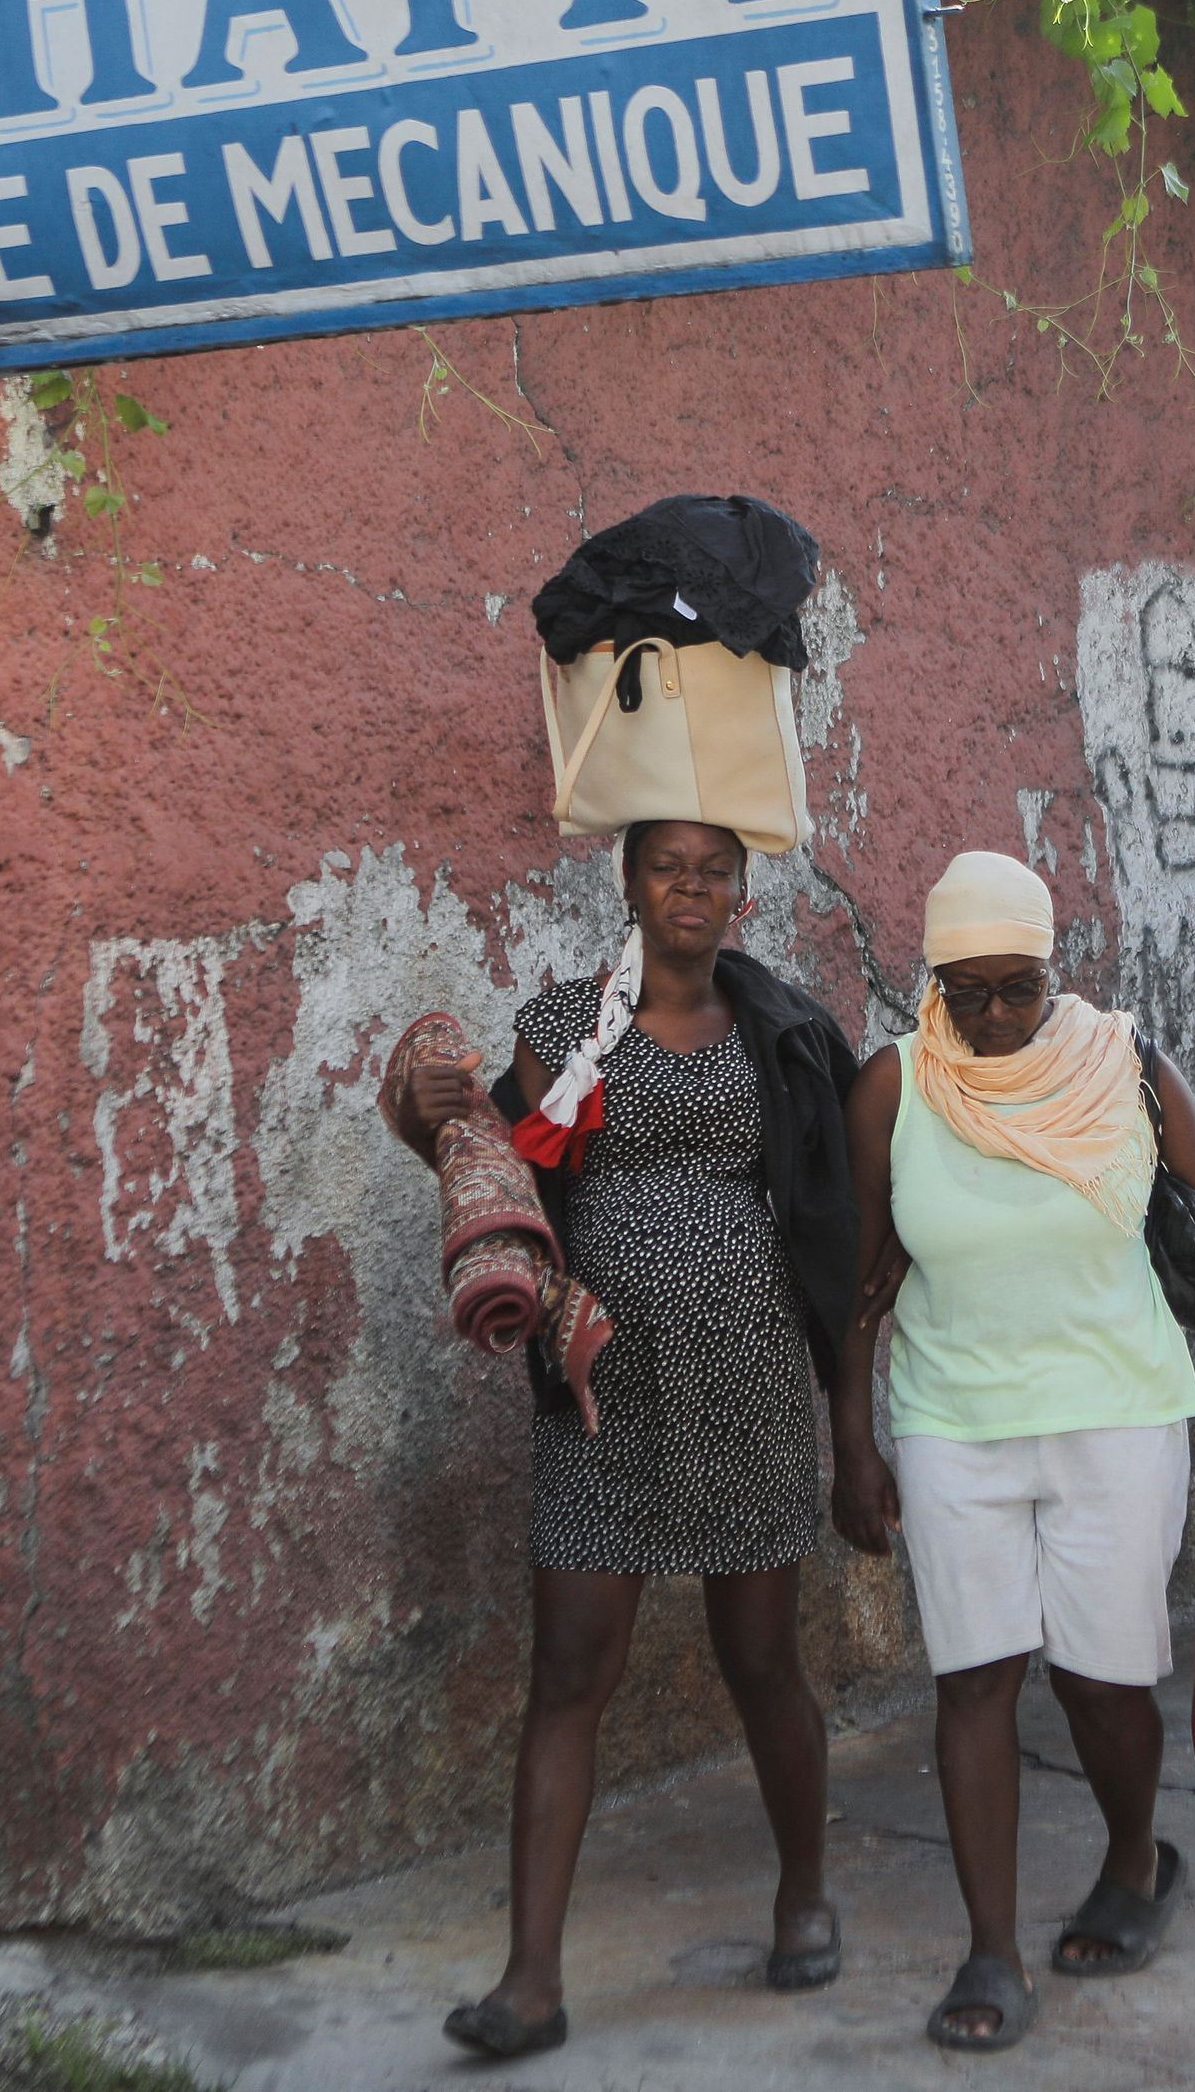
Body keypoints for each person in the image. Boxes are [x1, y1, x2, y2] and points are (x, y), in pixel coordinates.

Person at [387, 819, 862, 2059]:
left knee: (761, 1658)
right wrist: (419, 1108)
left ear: (742, 892)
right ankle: (530, 1979)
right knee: (568, 1669)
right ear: (631, 883)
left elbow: (833, 1203)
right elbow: (483, 1160)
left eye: (714, 867)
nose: (691, 885)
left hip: (747, 1386)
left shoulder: (783, 1030)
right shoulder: (562, 1027)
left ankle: (802, 1890)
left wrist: (850, 1415)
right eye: (668, 865)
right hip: (600, 1399)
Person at [828, 851, 1195, 2055]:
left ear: (1055, 969)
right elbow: (858, 1283)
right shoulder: (893, 1084)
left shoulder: (1125, 1066)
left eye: (1016, 988)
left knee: (1102, 1677)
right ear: (930, 979)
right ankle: (988, 1945)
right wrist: (853, 1438)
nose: (989, 1018)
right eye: (963, 990)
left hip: (1116, 1410)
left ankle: (1135, 1860)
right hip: (951, 1420)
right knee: (973, 1676)